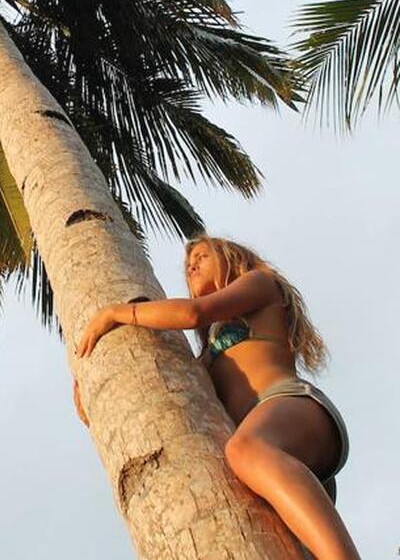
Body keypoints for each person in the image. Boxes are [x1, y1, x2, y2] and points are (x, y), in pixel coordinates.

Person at [74, 234, 359, 560]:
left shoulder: (261, 283)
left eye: (202, 256)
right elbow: (169, 397)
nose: (191, 264)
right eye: (188, 264)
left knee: (244, 448)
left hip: (289, 407)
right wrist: (97, 401)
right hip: (269, 459)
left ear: (232, 257)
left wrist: (116, 313)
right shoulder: (206, 356)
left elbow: (193, 313)